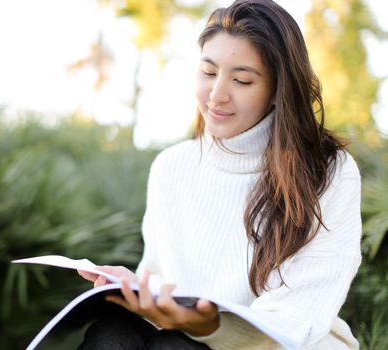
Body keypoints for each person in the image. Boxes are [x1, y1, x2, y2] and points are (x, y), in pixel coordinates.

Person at [78, 0, 362, 349]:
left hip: (289, 344)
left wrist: (210, 326)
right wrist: (135, 288)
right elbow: (164, 283)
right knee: (111, 335)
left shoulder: (328, 171)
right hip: (187, 338)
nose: (216, 95)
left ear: (278, 91)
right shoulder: (171, 166)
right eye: (209, 73)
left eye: (242, 80)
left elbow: (299, 316)